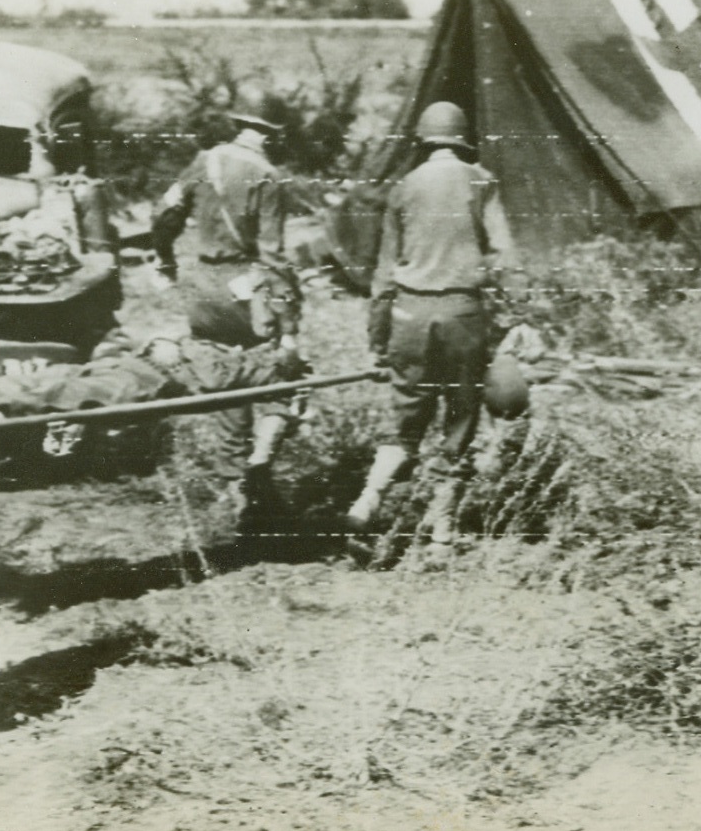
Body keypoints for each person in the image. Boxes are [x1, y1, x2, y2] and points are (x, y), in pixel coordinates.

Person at [346, 101, 517, 544]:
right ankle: (442, 528)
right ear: (461, 140)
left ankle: (368, 498)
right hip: (462, 313)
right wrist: (509, 316)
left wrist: (377, 338)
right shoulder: (481, 181)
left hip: (409, 312)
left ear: (424, 140)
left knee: (406, 417)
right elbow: (502, 256)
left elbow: (384, 274)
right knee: (460, 419)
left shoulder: (403, 187)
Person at [150, 91, 304, 515]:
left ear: (241, 127)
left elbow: (164, 216)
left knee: (225, 376)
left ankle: (234, 486)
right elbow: (272, 256)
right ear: (271, 136)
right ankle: (259, 464)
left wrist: (164, 260)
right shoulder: (269, 177)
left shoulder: (205, 161)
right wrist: (289, 327)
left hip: (202, 287)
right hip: (247, 286)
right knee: (283, 373)